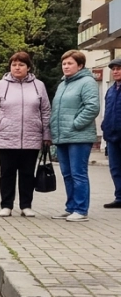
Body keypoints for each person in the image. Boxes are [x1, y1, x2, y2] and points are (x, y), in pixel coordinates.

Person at [0, 52, 51, 217]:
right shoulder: (0, 85)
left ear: (28, 67)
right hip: (6, 137)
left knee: (27, 174)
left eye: (21, 65)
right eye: (14, 65)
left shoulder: (38, 85)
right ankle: (6, 205)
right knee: (7, 173)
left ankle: (26, 205)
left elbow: (46, 111)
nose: (17, 68)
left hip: (31, 137)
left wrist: (47, 134)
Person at [49, 50, 100, 222]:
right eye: (64, 63)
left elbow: (92, 107)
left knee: (78, 173)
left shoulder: (87, 82)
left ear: (80, 65)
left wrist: (75, 124)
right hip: (62, 136)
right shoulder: (63, 84)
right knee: (67, 174)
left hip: (79, 136)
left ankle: (81, 209)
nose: (66, 66)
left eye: (70, 63)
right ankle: (71, 207)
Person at [102, 58, 121, 209]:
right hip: (112, 136)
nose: (115, 71)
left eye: (118, 68)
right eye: (113, 69)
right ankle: (119, 197)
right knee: (115, 168)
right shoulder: (110, 90)